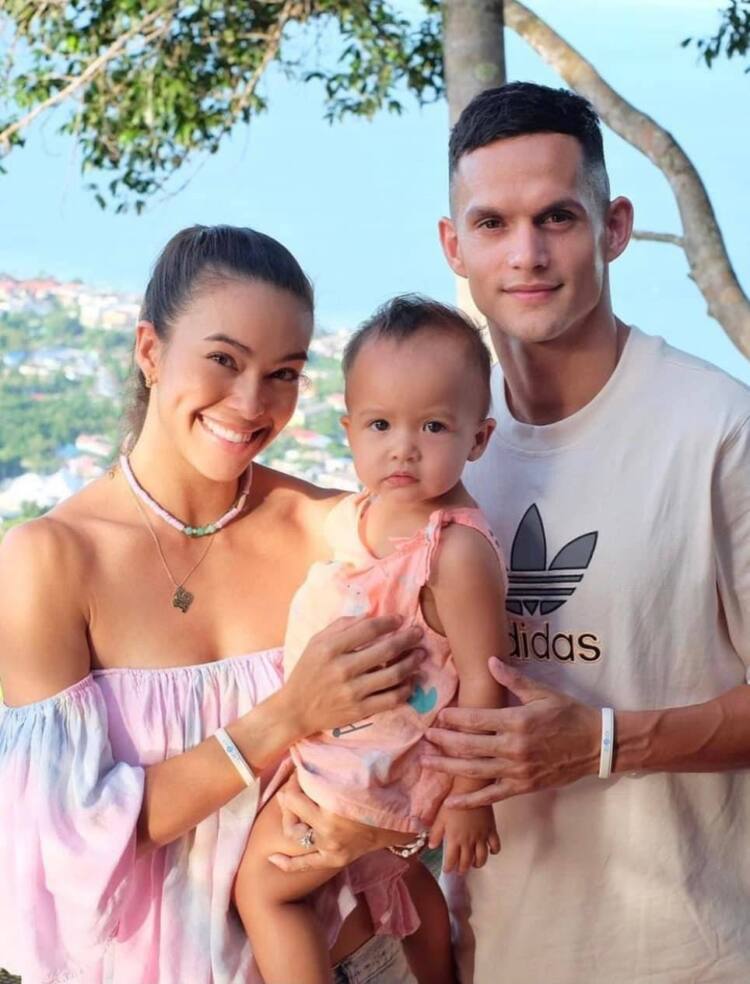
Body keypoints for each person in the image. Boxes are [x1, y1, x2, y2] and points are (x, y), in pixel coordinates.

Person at [0, 225, 429, 984]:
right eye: (225, 360)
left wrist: (393, 831)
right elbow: (68, 839)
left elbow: (433, 707)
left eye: (284, 373)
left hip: (354, 958)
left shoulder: (331, 530)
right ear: (150, 350)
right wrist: (285, 716)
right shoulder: (51, 560)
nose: (252, 403)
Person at [422, 81, 750, 983]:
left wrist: (607, 740)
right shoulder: (440, 443)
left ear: (614, 227)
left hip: (695, 957)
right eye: (492, 224)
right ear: (454, 246)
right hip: (499, 955)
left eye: (557, 217)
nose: (525, 254)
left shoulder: (719, 429)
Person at [236, 295, 507, 984]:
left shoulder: (455, 552)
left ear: (478, 438)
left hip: (382, 773)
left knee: (265, 888)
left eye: (434, 426)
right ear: (350, 428)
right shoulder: (360, 515)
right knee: (401, 881)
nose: (402, 447)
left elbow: (487, 678)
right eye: (381, 424)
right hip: (360, 754)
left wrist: (471, 799)